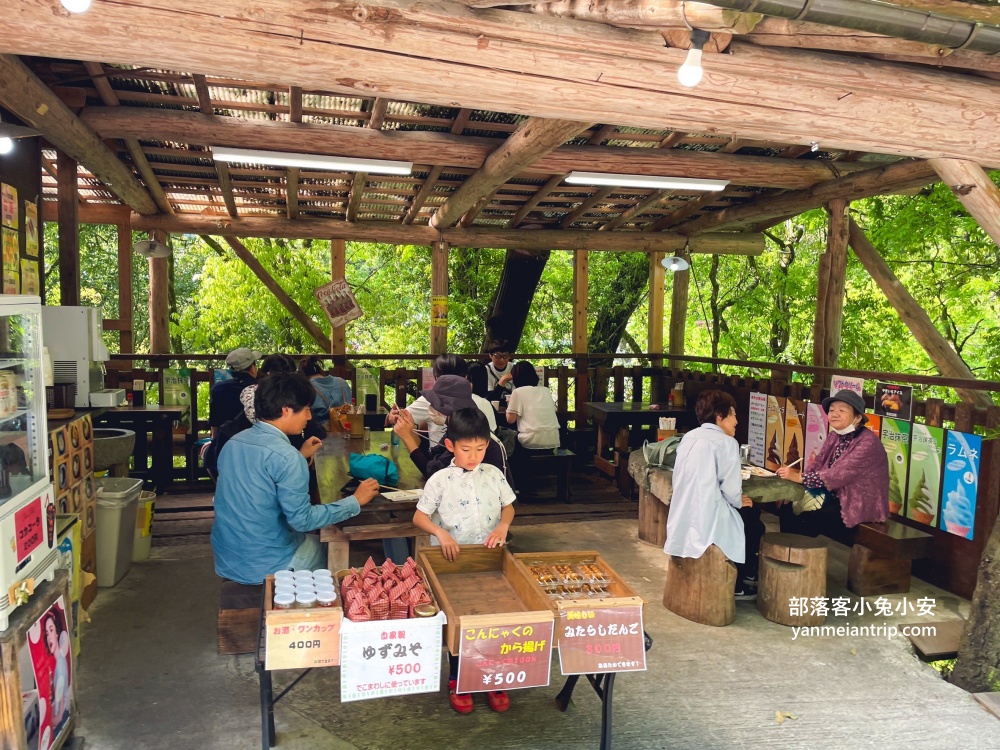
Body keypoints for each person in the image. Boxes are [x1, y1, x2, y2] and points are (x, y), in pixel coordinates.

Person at [211, 372, 379, 584]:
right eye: (307, 409)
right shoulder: (286, 457)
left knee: (310, 540)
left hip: (228, 556)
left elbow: (260, 479)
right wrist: (354, 501)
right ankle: (316, 609)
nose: (309, 417)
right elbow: (302, 520)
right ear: (286, 410)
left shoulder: (234, 442)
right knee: (326, 546)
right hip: (265, 564)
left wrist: (300, 456)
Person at [413, 407, 515, 715]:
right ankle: (458, 680)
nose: (474, 456)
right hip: (453, 561)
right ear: (450, 446)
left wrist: (503, 526)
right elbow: (419, 517)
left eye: (481, 449)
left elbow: (508, 507)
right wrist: (441, 535)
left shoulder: (494, 474)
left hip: (490, 558)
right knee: (460, 624)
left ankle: (493, 679)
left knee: (494, 621)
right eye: (466, 449)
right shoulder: (440, 480)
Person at [664, 390, 762, 600]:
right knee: (753, 522)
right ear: (720, 415)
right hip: (708, 513)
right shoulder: (726, 443)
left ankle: (744, 577)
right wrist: (738, 501)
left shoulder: (689, 436)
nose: (736, 420)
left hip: (683, 511)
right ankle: (739, 582)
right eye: (733, 414)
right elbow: (731, 488)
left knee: (748, 519)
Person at [775, 389, 889, 542]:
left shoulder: (868, 443)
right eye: (832, 410)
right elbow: (817, 465)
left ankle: (801, 559)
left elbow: (839, 474)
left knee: (809, 516)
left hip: (857, 504)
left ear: (857, 417)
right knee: (788, 504)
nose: (834, 414)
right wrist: (798, 485)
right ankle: (789, 555)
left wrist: (799, 477)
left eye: (842, 410)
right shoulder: (834, 436)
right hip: (832, 496)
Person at [393, 376, 508, 478]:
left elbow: (432, 472)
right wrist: (410, 428)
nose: (431, 408)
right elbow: (432, 458)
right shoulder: (455, 425)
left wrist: (407, 438)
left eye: (434, 404)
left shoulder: (466, 431)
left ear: (448, 407)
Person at [386, 354, 468, 449]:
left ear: (436, 379)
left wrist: (391, 417)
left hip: (440, 459)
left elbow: (400, 418)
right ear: (465, 378)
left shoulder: (430, 399)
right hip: (477, 459)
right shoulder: (482, 401)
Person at [209, 347, 261, 436]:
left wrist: (215, 441)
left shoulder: (218, 388)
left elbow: (214, 421)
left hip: (226, 439)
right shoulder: (261, 389)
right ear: (253, 369)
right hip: (255, 440)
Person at [298, 356, 352, 424]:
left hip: (321, 431)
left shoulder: (308, 388)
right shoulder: (342, 382)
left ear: (302, 375)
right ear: (320, 370)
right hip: (348, 427)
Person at [43, 608, 71, 733]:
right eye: (46, 633)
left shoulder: (60, 664)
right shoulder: (60, 659)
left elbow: (58, 718)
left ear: (57, 633)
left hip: (61, 721)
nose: (49, 637)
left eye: (51, 630)